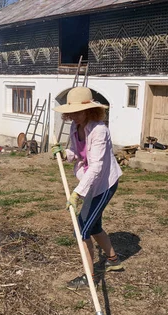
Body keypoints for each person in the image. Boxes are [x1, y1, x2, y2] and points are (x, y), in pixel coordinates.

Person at [51, 86, 123, 290]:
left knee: (82, 229)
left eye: (77, 111)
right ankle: (113, 260)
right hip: (89, 182)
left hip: (103, 185)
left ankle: (89, 277)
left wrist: (76, 193)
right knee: (95, 226)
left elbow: (98, 167)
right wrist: (65, 154)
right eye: (71, 112)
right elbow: (77, 152)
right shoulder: (76, 127)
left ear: (90, 110)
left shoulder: (100, 130)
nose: (73, 115)